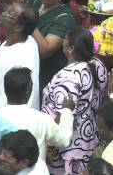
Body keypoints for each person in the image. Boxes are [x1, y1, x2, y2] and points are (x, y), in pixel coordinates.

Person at [41, 26, 106, 174]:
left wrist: (50, 147)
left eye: (65, 40)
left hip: (66, 146)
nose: (62, 41)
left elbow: (62, 114)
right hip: (86, 138)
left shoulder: (69, 76)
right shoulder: (98, 65)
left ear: (71, 48)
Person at [0, 67, 75, 161]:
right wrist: (67, 111)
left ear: (5, 89)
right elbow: (64, 140)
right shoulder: (42, 119)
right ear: (28, 91)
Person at [0, 1, 40, 110]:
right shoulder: (26, 40)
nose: (4, 14)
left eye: (9, 13)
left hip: (4, 122)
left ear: (19, 27)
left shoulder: (19, 60)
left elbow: (17, 105)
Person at [23, 0, 76, 100]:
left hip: (44, 75)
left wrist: (29, 22)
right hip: (26, 66)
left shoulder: (65, 17)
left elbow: (46, 50)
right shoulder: (40, 0)